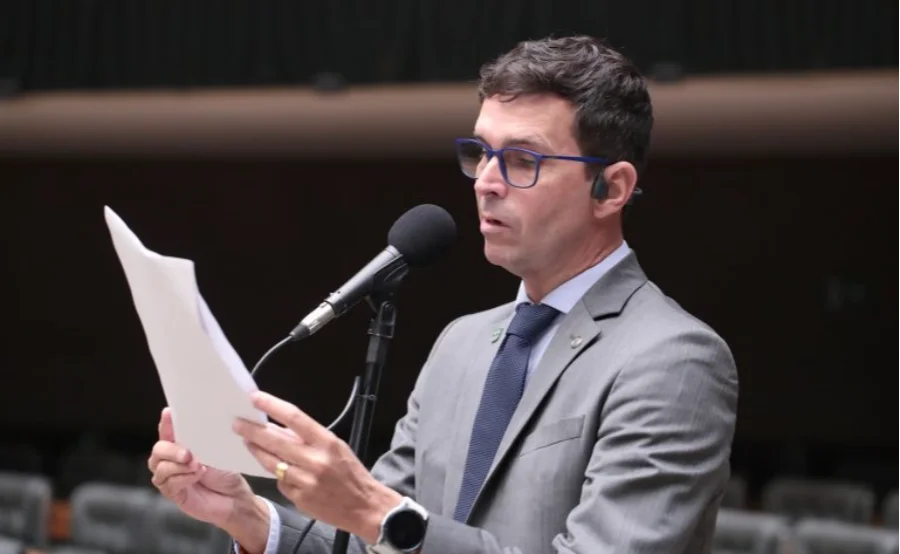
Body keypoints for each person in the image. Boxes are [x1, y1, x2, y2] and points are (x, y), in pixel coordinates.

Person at [148, 34, 738, 554]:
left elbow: (392, 525)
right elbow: (378, 543)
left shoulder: (671, 359)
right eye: (481, 153)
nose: (486, 182)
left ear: (612, 188)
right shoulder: (462, 344)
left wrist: (378, 512)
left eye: (522, 160)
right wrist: (247, 516)